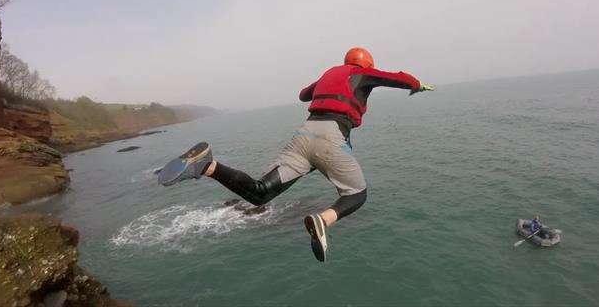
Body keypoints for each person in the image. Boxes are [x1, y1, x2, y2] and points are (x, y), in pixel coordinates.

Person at [161, 47, 434, 262]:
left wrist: (323, 85)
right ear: (366, 65)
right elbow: (398, 78)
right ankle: (323, 221)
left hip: (304, 136)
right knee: (356, 194)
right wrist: (418, 84)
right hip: (331, 138)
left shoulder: (329, 74)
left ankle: (208, 166)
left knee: (260, 193)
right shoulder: (362, 73)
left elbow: (304, 95)